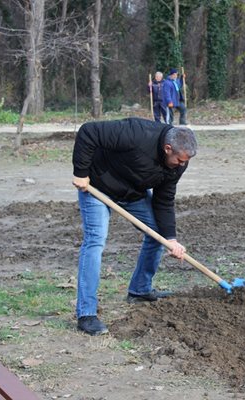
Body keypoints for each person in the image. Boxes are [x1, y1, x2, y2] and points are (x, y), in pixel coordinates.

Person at [72, 118, 198, 335]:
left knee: (158, 235)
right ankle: (86, 314)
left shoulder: (178, 164)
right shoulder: (137, 133)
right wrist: (81, 172)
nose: (182, 165)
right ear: (168, 148)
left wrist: (171, 238)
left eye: (185, 161)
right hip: (97, 187)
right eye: (179, 160)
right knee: (95, 241)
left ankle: (139, 290)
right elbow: (88, 131)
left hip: (133, 194)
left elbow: (164, 199)